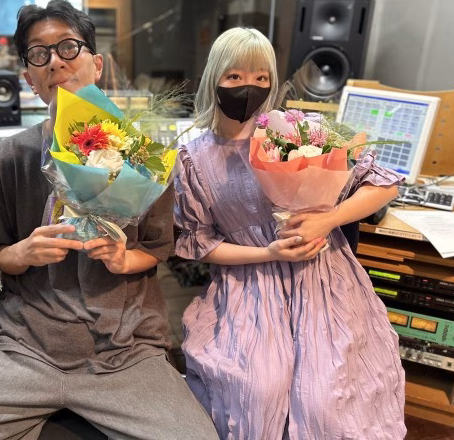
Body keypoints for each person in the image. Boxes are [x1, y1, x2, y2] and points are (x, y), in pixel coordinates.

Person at [0, 0, 218, 440]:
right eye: (39, 54)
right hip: (25, 349)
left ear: (97, 65)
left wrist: (123, 257)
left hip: (125, 352)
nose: (55, 61)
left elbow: (156, 249)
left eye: (68, 47)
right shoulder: (6, 160)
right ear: (29, 78)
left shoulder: (144, 159)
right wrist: (22, 252)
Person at [174, 27, 406, 439]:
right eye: (235, 76)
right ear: (214, 79)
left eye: (261, 77)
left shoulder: (301, 134)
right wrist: (269, 254)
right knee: (258, 389)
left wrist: (328, 219)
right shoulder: (193, 159)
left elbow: (385, 184)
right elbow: (199, 244)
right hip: (249, 285)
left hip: (324, 281)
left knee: (325, 399)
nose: (249, 86)